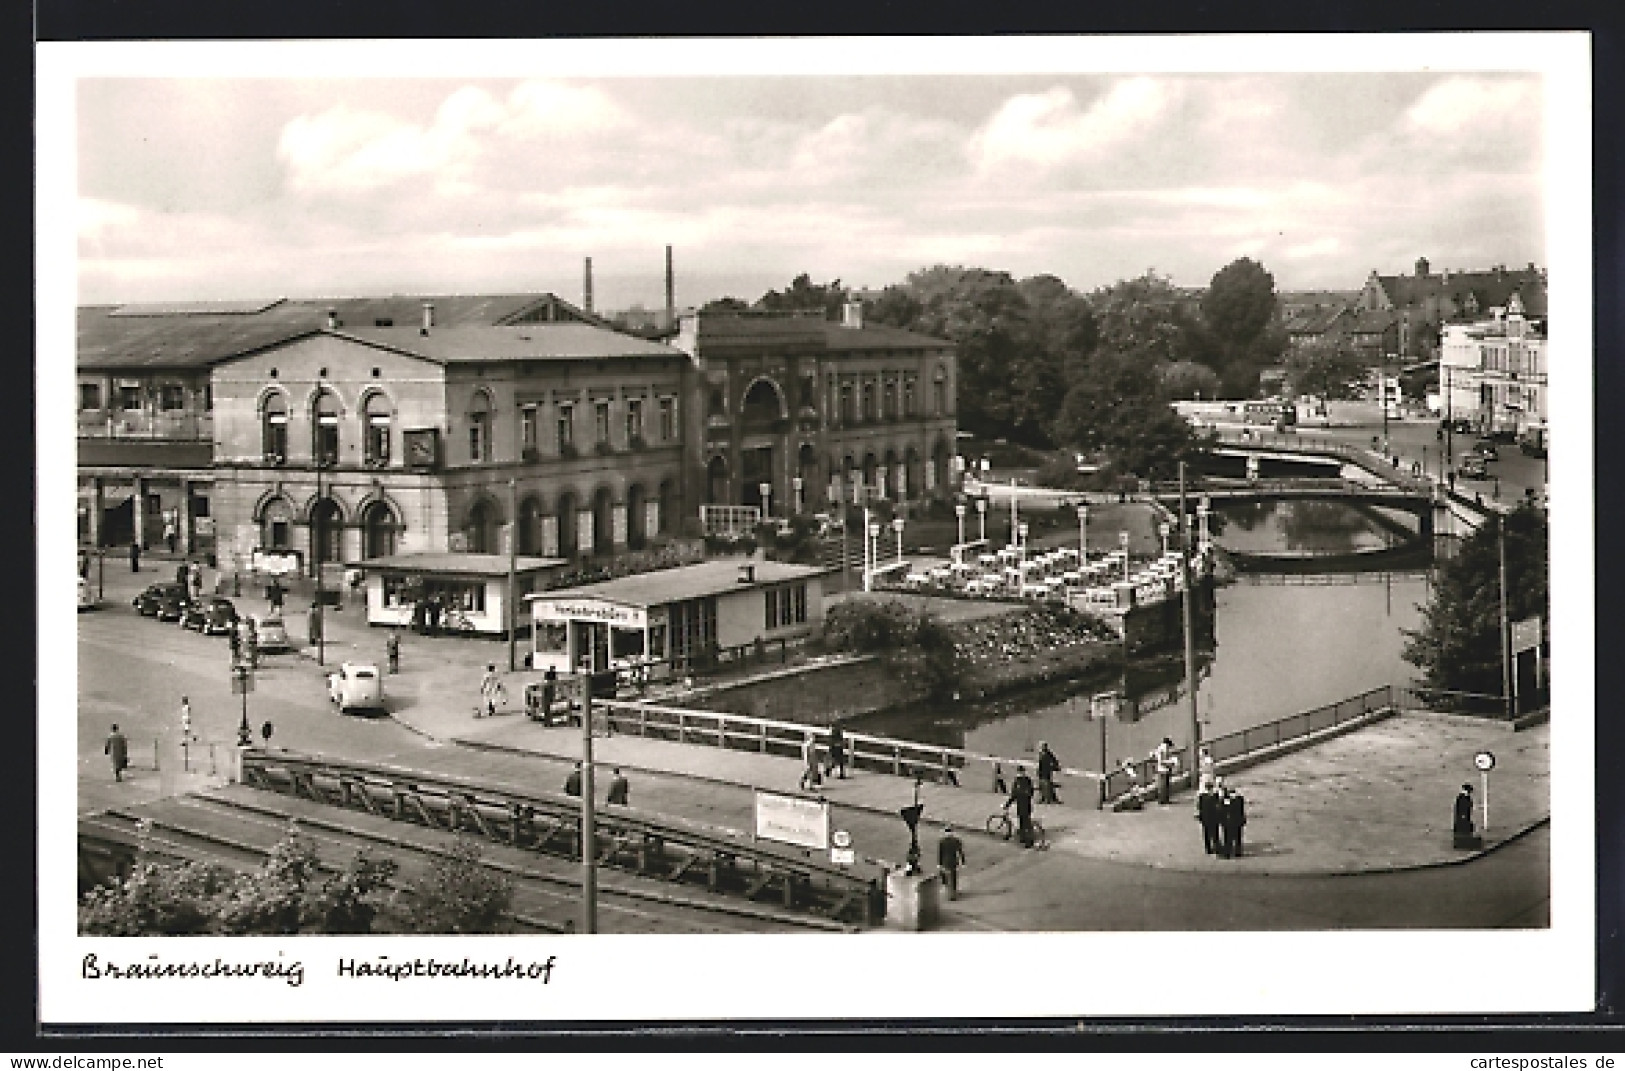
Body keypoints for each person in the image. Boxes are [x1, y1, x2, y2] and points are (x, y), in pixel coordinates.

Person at [1004, 765, 1036, 847]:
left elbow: (1015, 794)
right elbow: (1030, 792)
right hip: (1024, 804)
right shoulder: (1026, 780)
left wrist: (1008, 804)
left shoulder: (1019, 781)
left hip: (1023, 804)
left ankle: (1028, 840)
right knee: (1023, 821)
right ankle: (1024, 838)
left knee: (1025, 822)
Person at [937, 825, 966, 900]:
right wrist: (963, 862)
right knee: (954, 877)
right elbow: (960, 852)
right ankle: (954, 892)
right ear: (952, 833)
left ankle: (948, 891)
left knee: (945, 876)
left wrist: (939, 863)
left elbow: (940, 853)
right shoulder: (956, 841)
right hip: (953, 860)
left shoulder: (942, 841)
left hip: (945, 861)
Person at [1220, 783, 1247, 858]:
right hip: (1237, 822)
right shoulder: (1239, 799)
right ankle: (1238, 853)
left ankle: (1227, 853)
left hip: (1229, 822)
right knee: (1237, 838)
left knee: (1228, 838)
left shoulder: (1227, 801)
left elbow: (1223, 810)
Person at [1196, 780, 1222, 855]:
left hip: (1205, 818)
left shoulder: (1202, 796)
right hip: (1213, 817)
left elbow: (1199, 807)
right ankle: (1216, 847)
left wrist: (1200, 816)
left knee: (1206, 834)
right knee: (1214, 833)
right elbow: (1219, 805)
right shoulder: (1215, 796)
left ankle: (1208, 849)